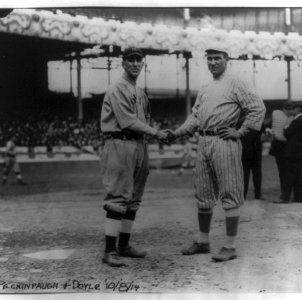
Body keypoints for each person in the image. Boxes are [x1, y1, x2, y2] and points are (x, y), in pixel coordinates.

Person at [167, 45, 266, 262]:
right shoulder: (206, 86)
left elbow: (258, 108)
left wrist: (240, 131)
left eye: (217, 58)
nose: (213, 62)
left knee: (229, 192)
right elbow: (195, 117)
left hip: (224, 141)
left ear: (226, 58)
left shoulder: (236, 82)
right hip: (203, 141)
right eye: (209, 58)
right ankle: (203, 242)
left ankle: (230, 246)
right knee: (203, 195)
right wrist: (177, 133)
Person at [99, 47, 169, 267]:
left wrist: (151, 135)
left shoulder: (140, 92)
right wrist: (157, 133)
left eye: (139, 60)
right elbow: (127, 121)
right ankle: (109, 250)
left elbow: (144, 120)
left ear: (143, 63)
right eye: (131, 60)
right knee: (118, 195)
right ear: (123, 63)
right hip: (120, 142)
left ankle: (124, 245)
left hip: (139, 144)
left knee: (134, 197)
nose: (136, 63)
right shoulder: (117, 87)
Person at [275, 101, 302, 203]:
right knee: (298, 175)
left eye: (294, 108)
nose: (292, 110)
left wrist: (285, 126)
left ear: (298, 109)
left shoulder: (296, 121)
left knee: (289, 175)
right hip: (301, 151)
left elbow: (286, 133)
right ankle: (299, 197)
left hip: (292, 152)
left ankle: (285, 197)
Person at [268, 104, 291, 201]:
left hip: (286, 150)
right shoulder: (280, 118)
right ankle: (285, 193)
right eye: (288, 109)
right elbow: (268, 125)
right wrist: (268, 130)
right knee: (283, 173)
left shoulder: (292, 119)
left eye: (291, 109)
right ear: (283, 109)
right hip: (281, 150)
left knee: (288, 173)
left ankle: (286, 194)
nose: (289, 111)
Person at [241, 123, 265, 200]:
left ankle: (254, 194)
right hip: (251, 151)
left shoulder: (242, 122)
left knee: (250, 174)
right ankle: (248, 194)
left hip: (250, 151)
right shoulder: (259, 123)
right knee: (248, 174)